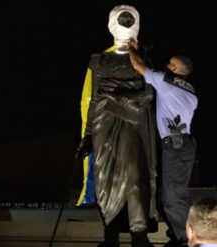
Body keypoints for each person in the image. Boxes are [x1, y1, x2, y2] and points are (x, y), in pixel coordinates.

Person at [75, 5, 158, 247]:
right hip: (113, 126)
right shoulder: (101, 61)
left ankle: (137, 236)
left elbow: (148, 95)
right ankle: (113, 237)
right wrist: (89, 135)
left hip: (129, 126)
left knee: (133, 179)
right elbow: (93, 101)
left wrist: (111, 103)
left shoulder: (135, 60)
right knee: (110, 180)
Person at [128, 42, 198, 247]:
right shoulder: (191, 92)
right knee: (178, 196)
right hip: (186, 146)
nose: (166, 65)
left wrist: (133, 48)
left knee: (171, 200)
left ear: (175, 69)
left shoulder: (165, 81)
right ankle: (178, 237)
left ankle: (186, 241)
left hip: (174, 147)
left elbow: (136, 64)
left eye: (170, 63)